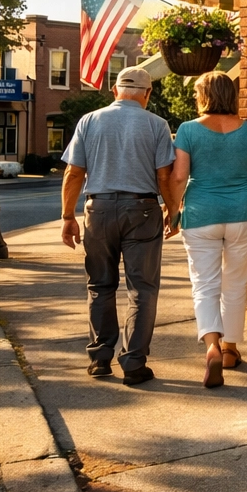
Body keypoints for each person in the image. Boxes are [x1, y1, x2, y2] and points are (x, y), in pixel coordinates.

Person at [59, 67, 179, 386]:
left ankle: (100, 358)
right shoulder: (157, 125)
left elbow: (73, 173)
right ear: (147, 94)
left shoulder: (89, 120)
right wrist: (174, 210)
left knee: (100, 284)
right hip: (142, 208)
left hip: (97, 209)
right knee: (141, 287)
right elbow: (165, 176)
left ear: (115, 90)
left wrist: (68, 216)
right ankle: (134, 362)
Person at [165, 71, 247, 388]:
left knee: (204, 284)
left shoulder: (188, 130)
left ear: (204, 96)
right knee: (235, 283)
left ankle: (212, 347)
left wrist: (173, 214)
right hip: (243, 214)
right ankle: (230, 350)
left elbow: (178, 177)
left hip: (201, 214)